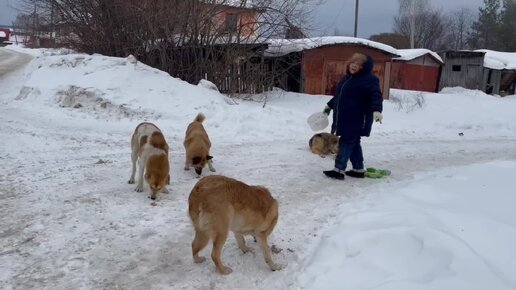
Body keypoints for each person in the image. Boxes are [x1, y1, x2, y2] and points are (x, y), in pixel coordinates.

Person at [322, 53, 383, 180]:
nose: (355, 66)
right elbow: (340, 96)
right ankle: (358, 169)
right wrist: (329, 106)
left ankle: (338, 170)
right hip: (345, 117)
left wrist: (377, 110)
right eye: (353, 62)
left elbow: (376, 95)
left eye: (359, 65)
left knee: (346, 142)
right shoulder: (347, 79)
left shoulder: (370, 79)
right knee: (354, 143)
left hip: (358, 118)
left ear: (364, 68)